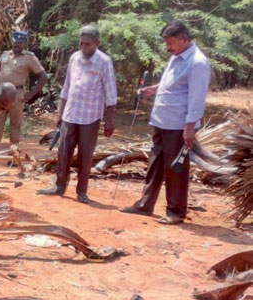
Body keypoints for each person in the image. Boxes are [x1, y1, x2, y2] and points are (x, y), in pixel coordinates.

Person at [121, 20, 211, 224]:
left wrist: (189, 128)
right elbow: (172, 83)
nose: (167, 47)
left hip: (179, 125)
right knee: (155, 164)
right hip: (162, 120)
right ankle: (145, 204)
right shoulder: (176, 57)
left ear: (184, 39)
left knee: (175, 168)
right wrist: (153, 89)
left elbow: (197, 98)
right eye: (166, 43)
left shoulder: (197, 62)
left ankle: (176, 211)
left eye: (171, 43)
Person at [38, 25, 117, 204]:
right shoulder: (74, 58)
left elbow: (111, 94)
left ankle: (81, 191)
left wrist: (109, 120)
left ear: (97, 43)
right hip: (70, 113)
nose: (83, 47)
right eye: (81, 43)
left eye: (87, 44)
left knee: (85, 154)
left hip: (90, 116)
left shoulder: (104, 62)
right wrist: (60, 113)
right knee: (64, 151)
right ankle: (59, 186)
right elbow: (67, 87)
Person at [0, 30, 48, 147]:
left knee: (15, 124)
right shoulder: (5, 55)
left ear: (24, 44)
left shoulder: (29, 58)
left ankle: (13, 153)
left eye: (20, 42)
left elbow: (43, 77)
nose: (17, 44)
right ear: (12, 42)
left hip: (16, 94)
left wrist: (30, 95)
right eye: (15, 42)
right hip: (0, 93)